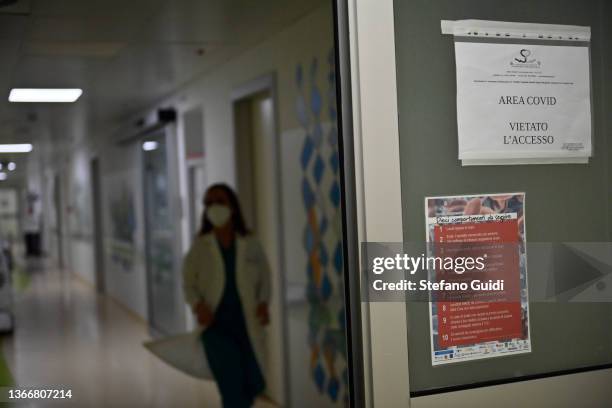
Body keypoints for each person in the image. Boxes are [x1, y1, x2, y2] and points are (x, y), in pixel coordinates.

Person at [182, 183, 271, 408]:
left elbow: (265, 276)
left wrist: (263, 303)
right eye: (209, 203)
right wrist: (197, 305)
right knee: (232, 390)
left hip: (246, 326)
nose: (214, 207)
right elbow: (187, 282)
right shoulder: (200, 246)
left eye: (219, 201)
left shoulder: (249, 243)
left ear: (232, 206)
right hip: (215, 329)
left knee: (251, 387)